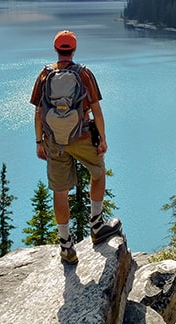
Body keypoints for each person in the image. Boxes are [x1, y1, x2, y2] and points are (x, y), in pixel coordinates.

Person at [31, 29, 122, 263]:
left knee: (60, 191)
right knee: (98, 172)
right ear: (73, 49)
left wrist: (39, 142)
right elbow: (97, 110)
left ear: (56, 49)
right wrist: (102, 138)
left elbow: (39, 113)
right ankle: (97, 225)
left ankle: (66, 246)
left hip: (55, 141)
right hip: (81, 137)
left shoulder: (44, 74)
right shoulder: (84, 74)